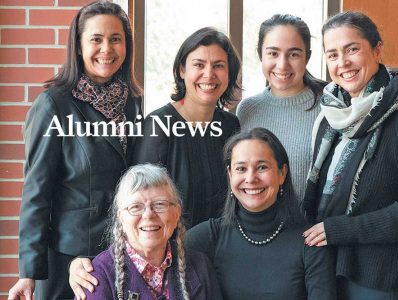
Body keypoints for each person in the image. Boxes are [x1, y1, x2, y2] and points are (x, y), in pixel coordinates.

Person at [302, 11, 398, 300]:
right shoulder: (330, 117)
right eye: (332, 55)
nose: (343, 63)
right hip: (323, 262)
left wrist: (342, 230)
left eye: (352, 49)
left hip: (375, 274)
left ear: (377, 50)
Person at [8, 1, 142, 299]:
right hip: (68, 261)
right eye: (96, 39)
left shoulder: (132, 104)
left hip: (120, 254)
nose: (106, 49)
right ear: (78, 46)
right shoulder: (53, 104)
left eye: (115, 39)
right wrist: (29, 272)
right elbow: (36, 190)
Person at [185, 128, 337, 300]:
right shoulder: (209, 237)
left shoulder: (311, 242)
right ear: (229, 175)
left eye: (262, 167)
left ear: (282, 173)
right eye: (241, 169)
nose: (251, 178)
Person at [133, 27, 241, 229]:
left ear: (229, 73)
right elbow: (140, 200)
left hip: (224, 247)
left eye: (218, 65)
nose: (209, 74)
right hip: (173, 251)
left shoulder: (231, 126)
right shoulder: (158, 125)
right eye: (199, 65)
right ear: (182, 70)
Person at [80, 164, 223, 300]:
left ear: (176, 212)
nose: (148, 214)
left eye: (159, 204)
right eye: (136, 207)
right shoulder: (98, 275)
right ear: (121, 218)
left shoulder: (200, 266)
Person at [237, 14, 327, 200]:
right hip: (259, 226)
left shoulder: (330, 106)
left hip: (316, 226)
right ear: (260, 55)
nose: (282, 64)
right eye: (273, 53)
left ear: (307, 57)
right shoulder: (247, 109)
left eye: (294, 54)